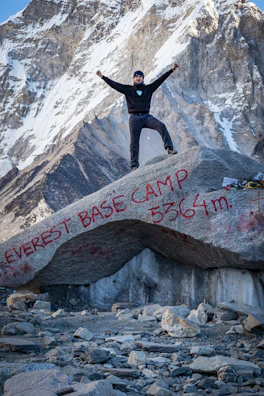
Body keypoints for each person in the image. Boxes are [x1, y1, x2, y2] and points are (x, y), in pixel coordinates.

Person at [96, 63, 178, 170]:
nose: (138, 78)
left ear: (143, 78)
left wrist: (172, 70)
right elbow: (114, 85)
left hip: (146, 117)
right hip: (134, 119)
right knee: (134, 142)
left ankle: (169, 148)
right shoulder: (128, 89)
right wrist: (103, 77)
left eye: (140, 76)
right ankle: (134, 165)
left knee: (161, 126)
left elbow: (160, 80)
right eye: (136, 77)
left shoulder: (148, 89)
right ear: (133, 79)